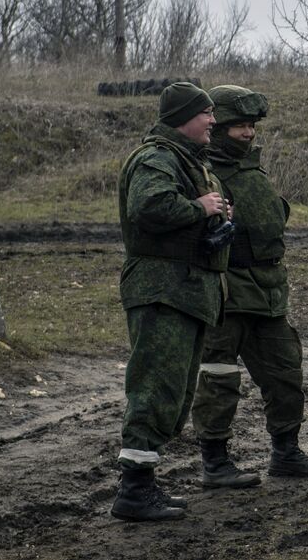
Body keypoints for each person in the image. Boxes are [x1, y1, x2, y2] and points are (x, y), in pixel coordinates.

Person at [191, 85, 308, 487]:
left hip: (269, 291)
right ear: (219, 129)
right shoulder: (203, 173)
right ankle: (214, 463)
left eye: (251, 126)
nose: (248, 133)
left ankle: (286, 453)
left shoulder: (252, 169)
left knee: (286, 373)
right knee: (219, 378)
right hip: (228, 294)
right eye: (238, 126)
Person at [112, 81, 232, 522]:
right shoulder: (157, 158)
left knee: (173, 393)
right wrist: (200, 208)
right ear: (184, 116)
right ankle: (134, 492)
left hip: (183, 293)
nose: (213, 121)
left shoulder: (186, 160)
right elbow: (150, 207)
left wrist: (215, 213)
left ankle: (143, 486)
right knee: (154, 388)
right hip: (162, 292)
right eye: (206, 114)